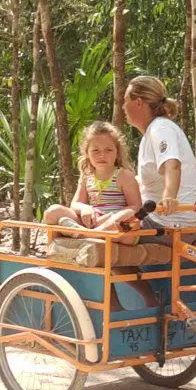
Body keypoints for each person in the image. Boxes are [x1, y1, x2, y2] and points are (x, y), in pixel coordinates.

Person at [42, 121, 153, 310]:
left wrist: (110, 218)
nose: (102, 155)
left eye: (108, 150)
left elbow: (135, 206)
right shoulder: (87, 177)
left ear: (117, 152)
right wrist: (85, 208)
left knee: (124, 216)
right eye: (96, 150)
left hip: (121, 229)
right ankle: (86, 234)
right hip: (94, 226)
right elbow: (75, 203)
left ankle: (85, 236)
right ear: (87, 153)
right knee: (53, 211)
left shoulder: (123, 175)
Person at [122, 75, 196, 246]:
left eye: (125, 101)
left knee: (111, 228)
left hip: (167, 222)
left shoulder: (160, 127)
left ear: (138, 102)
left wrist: (169, 196)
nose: (123, 107)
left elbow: (172, 164)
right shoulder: (152, 132)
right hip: (164, 218)